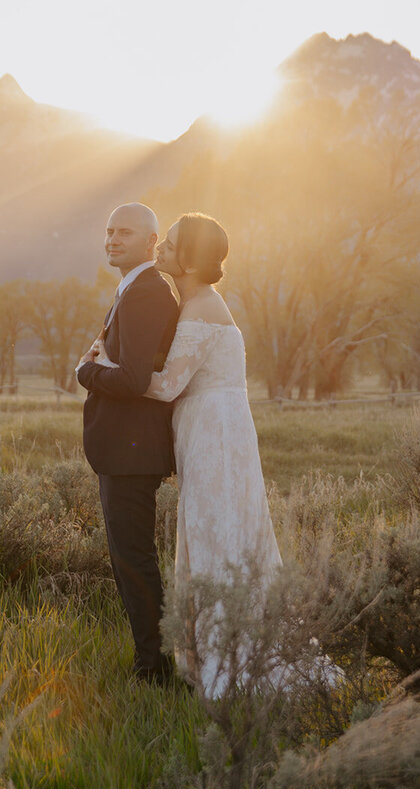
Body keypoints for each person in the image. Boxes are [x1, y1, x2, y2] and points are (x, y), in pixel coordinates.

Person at [87, 212, 285, 698]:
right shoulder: (194, 301)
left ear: (190, 260)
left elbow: (167, 384)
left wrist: (98, 366)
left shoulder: (200, 308)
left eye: (171, 246)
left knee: (219, 534)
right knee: (211, 532)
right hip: (209, 426)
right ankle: (215, 650)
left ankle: (230, 659)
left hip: (213, 431)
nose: (162, 252)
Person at [76, 202, 180, 686]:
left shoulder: (146, 293)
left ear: (150, 243)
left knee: (134, 559)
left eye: (126, 232)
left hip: (131, 448)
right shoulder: (133, 289)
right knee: (128, 556)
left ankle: (154, 669)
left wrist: (86, 372)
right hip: (123, 448)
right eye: (109, 230)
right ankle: (152, 661)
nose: (113, 238)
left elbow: (136, 378)